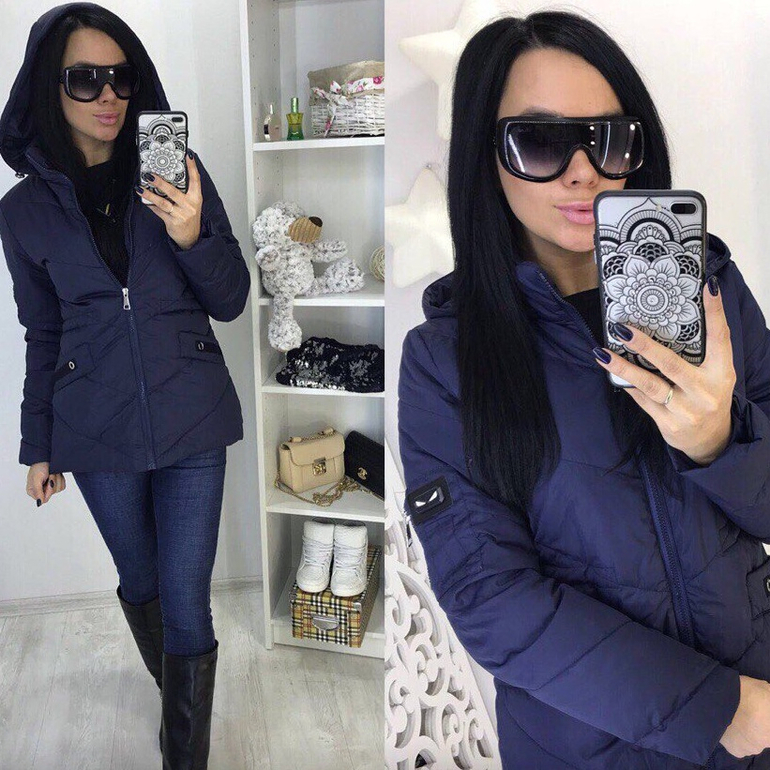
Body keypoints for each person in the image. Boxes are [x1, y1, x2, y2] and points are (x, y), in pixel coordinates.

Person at [397, 11, 770, 770]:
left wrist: (720, 445)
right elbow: (490, 598)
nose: (583, 171)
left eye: (609, 138)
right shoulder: (444, 363)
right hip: (592, 750)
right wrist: (717, 709)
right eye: (539, 141)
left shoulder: (711, 296)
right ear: (485, 156)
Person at [0, 3, 250, 767]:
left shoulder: (178, 173)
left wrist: (190, 234)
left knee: (187, 601)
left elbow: (232, 298)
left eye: (121, 77)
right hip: (95, 431)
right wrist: (39, 446)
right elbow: (43, 334)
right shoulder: (23, 213)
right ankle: (177, 696)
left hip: (193, 420)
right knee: (141, 580)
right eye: (85, 79)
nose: (108, 95)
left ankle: (183, 753)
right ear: (50, 88)